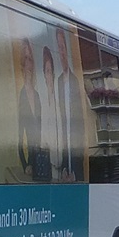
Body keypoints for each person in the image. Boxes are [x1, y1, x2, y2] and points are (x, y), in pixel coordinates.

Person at [55, 28, 86, 182]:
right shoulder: (59, 81)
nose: (61, 52)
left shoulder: (75, 81)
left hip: (76, 151)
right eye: (58, 48)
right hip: (64, 149)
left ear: (67, 50)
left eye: (62, 47)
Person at [17, 37, 43, 180]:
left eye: (31, 59)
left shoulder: (38, 96)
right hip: (30, 171)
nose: (29, 64)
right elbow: (20, 140)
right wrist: (26, 164)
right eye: (26, 58)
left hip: (42, 166)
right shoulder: (22, 96)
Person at [41, 45, 62, 182]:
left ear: (54, 75)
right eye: (46, 71)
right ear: (44, 75)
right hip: (44, 167)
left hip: (59, 167)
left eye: (51, 71)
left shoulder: (59, 102)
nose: (49, 75)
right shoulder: (43, 103)